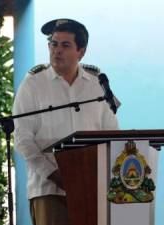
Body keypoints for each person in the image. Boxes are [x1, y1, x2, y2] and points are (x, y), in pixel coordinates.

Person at [13, 19, 119, 225]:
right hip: (48, 190)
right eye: (53, 44)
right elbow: (23, 139)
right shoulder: (33, 84)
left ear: (81, 51)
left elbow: (112, 134)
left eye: (65, 45)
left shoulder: (97, 84)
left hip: (92, 189)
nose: (57, 50)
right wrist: (54, 174)